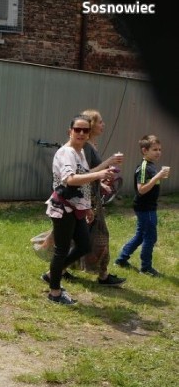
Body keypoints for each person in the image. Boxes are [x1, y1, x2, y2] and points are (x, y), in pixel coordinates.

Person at [43, 115, 118, 305]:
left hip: (77, 208)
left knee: (84, 245)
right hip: (63, 208)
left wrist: (87, 206)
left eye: (86, 130)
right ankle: (55, 292)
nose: (82, 133)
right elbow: (70, 179)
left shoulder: (81, 153)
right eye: (78, 129)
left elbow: (83, 178)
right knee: (61, 250)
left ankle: (52, 274)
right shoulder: (66, 152)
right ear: (70, 131)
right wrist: (99, 174)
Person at [76, 109, 125, 286]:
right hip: (87, 199)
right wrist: (108, 162)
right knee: (99, 235)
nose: (103, 125)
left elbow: (92, 175)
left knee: (80, 235)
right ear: (91, 124)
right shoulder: (86, 147)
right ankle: (102, 275)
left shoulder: (92, 146)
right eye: (100, 122)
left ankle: (60, 270)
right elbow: (84, 174)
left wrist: (102, 182)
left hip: (92, 196)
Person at [115, 134, 168, 276]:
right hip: (146, 208)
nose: (158, 152)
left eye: (159, 149)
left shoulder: (151, 166)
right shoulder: (144, 167)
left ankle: (121, 259)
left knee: (140, 235)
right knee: (150, 237)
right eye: (155, 149)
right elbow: (141, 189)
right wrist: (157, 177)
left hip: (148, 207)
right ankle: (146, 268)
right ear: (145, 151)